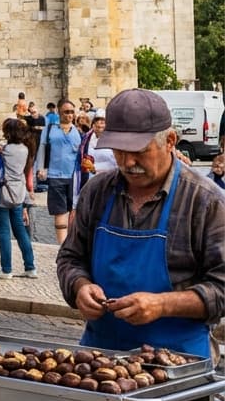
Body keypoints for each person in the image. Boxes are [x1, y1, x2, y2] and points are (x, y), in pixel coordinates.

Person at [57, 87, 225, 362]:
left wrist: (162, 304)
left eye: (139, 152)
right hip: (100, 358)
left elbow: (222, 287)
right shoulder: (97, 191)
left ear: (170, 141)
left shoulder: (205, 201)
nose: (127, 162)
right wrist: (79, 286)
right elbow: (70, 257)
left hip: (179, 363)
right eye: (119, 152)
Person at [0, 118, 37, 280]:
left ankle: (6, 269)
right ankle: (30, 267)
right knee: (20, 231)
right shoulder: (25, 149)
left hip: (3, 194)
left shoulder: (4, 150)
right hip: (18, 194)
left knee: (4, 232)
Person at [36, 98, 82, 244]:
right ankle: (62, 245)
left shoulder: (79, 131)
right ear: (59, 112)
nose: (69, 115)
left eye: (71, 112)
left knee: (74, 211)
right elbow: (42, 147)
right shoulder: (50, 129)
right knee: (60, 211)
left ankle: (72, 243)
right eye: (66, 112)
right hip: (55, 175)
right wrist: (41, 168)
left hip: (74, 176)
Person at [78, 110, 117, 187]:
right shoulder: (86, 139)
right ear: (93, 124)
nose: (99, 124)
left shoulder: (114, 140)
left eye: (102, 121)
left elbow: (115, 164)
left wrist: (94, 167)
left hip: (107, 181)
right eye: (97, 121)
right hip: (89, 182)